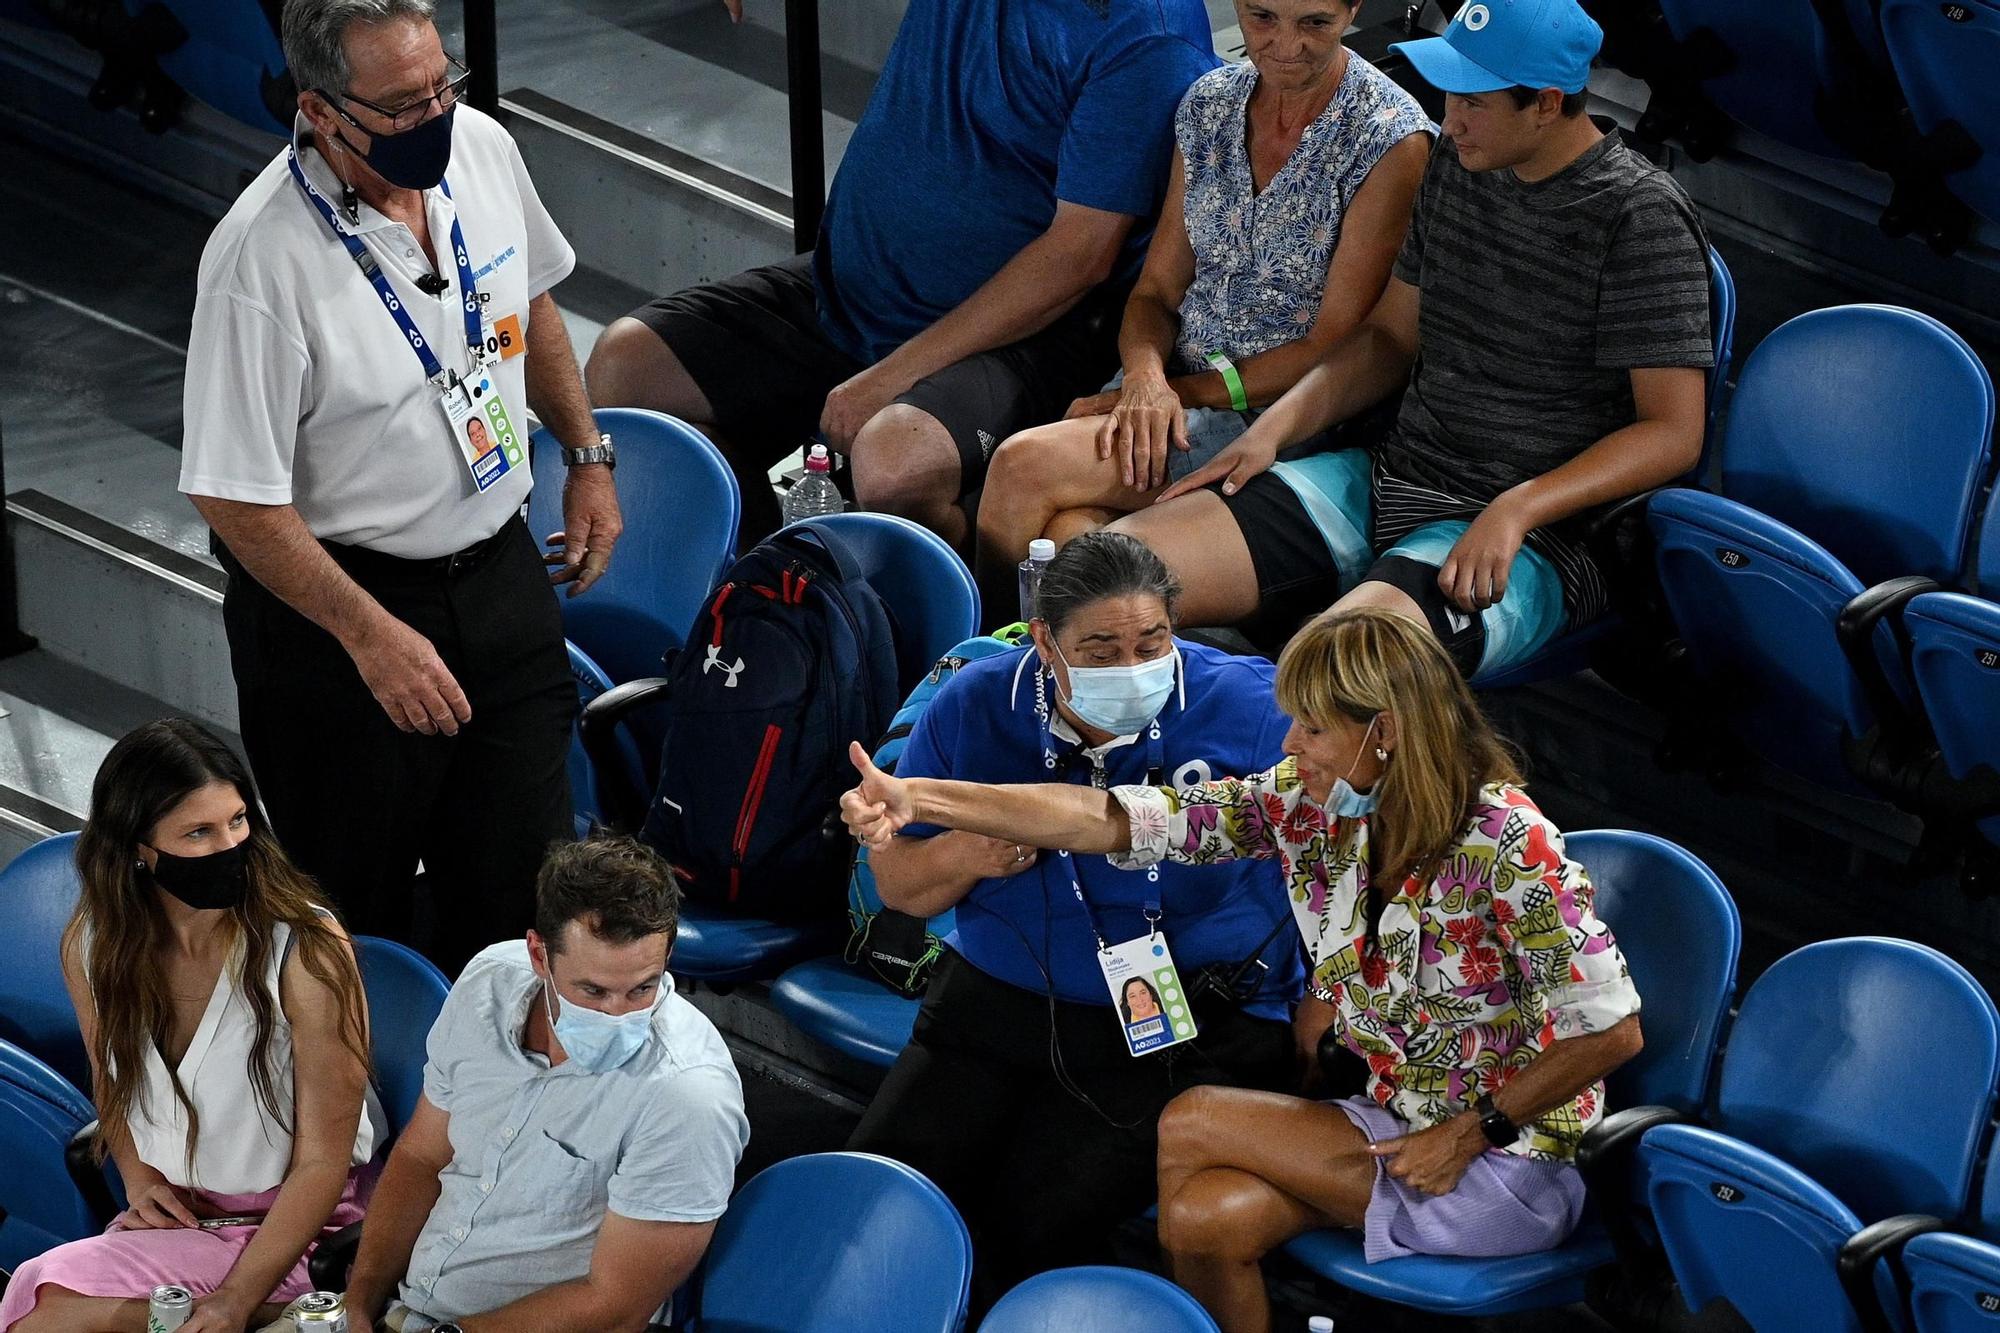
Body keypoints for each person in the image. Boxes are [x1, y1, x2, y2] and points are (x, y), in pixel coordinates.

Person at [841, 607, 1644, 1333]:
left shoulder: (1506, 842)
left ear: (1386, 732)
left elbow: (1614, 1030)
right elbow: (1103, 816)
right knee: (1203, 1217)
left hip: (1510, 1158)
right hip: (1398, 1119)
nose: (1289, 743)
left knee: (1191, 1119)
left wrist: (1475, 1131)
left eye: (1314, 728)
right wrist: (921, 798)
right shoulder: (1306, 804)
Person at [180, 0, 621, 972]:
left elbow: (533, 301)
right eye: (402, 107)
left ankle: (494, 1108)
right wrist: (368, 635)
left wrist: (585, 457)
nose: (435, 119)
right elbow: (233, 497)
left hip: (497, 570)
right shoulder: (261, 260)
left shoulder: (483, 149)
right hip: (340, 611)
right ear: (322, 112)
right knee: (353, 911)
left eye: (441, 89)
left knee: (524, 893)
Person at [1114, 0, 1712, 680]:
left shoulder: (1641, 217)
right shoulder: (1460, 163)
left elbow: (1673, 432)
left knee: (1341, 669)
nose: (1449, 121)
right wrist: (1273, 428)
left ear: (1547, 104)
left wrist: (1520, 506)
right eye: (1450, 96)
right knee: (1107, 579)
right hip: (1395, 476)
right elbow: (1388, 337)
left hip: (1540, 533)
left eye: (1474, 105)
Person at [845, 531, 1302, 1309]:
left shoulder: (1252, 706)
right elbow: (902, 890)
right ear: (1046, 643)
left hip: (1186, 1020)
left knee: (1027, 1231)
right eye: (1100, 647)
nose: (1131, 666)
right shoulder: (978, 700)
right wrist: (968, 854)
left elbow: (1340, 860)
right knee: (881, 1208)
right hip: (995, 1000)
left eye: (1151, 640)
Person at [585, 0, 1218, 549]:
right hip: (857, 288)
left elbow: (1079, 258)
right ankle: (768, 594)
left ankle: (940, 641)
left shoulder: (1150, 36)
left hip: (1023, 334)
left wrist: (889, 377)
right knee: (626, 369)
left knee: (897, 462)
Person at [974, 0, 1431, 612]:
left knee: (1021, 467)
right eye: (1262, 18)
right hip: (1166, 390)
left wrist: (1175, 396)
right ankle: (1056, 689)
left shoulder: (1389, 137)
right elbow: (1157, 291)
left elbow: (1333, 343)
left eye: (1315, 24)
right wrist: (1142, 378)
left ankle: (980, 669)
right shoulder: (1210, 103)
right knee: (1072, 537)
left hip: (1275, 414)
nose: (1285, 46)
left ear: (1353, 10)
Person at [2, 720, 384, 1333]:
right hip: (180, 1221)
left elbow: (323, 1164)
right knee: (39, 1302)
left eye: (238, 821)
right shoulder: (95, 942)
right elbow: (111, 1073)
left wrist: (233, 1302)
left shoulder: (307, 950)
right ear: (137, 847)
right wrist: (136, 1172)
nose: (230, 846)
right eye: (199, 832)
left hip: (297, 1231)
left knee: (45, 1306)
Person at [339, 836, 748, 1333]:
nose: (617, 1014)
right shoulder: (487, 983)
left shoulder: (689, 1096)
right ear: (539, 955)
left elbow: (615, 1307)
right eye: (591, 990)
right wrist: (358, 1303)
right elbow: (422, 1157)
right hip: (410, 1310)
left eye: (643, 987)